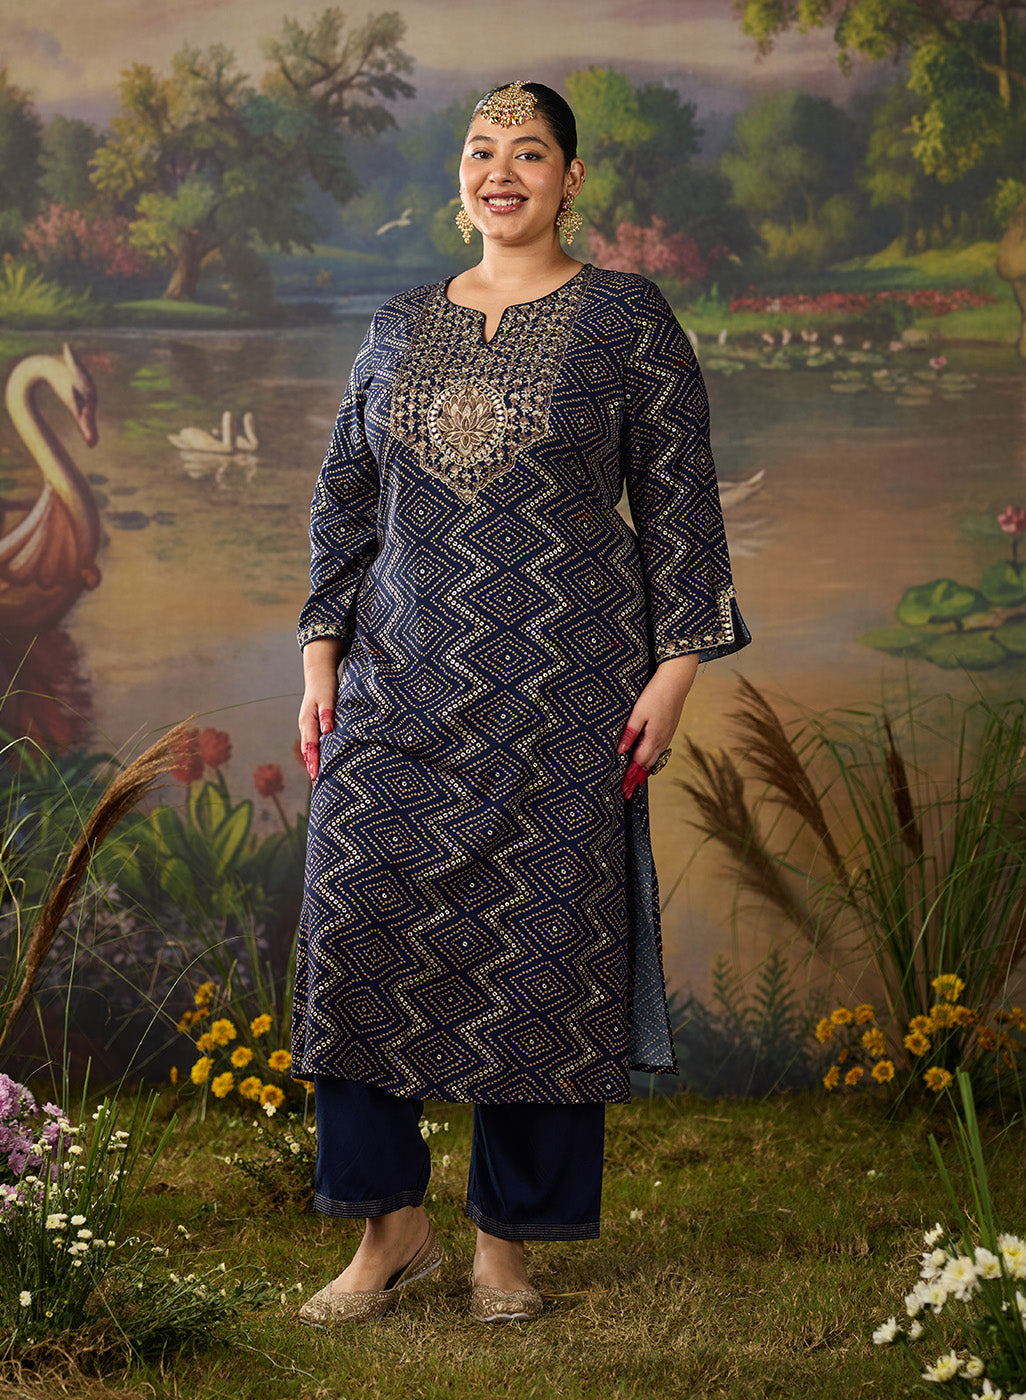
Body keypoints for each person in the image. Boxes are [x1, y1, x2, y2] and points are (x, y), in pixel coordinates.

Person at [291, 79, 751, 1328]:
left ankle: (506, 1244)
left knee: (546, 951)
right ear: (461, 175)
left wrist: (675, 668)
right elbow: (343, 497)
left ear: (571, 178)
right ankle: (389, 1227)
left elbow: (682, 505)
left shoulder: (626, 320)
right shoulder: (397, 325)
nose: (502, 171)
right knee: (354, 925)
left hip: (567, 692)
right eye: (482, 150)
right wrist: (322, 652)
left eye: (530, 152)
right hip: (397, 680)